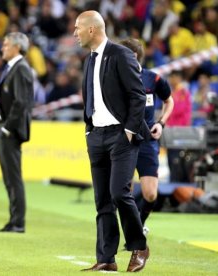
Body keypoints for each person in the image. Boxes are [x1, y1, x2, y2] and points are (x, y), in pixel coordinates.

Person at [73, 11, 150, 272]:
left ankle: (139, 246)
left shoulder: (121, 54)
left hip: (121, 135)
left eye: (78, 28)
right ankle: (107, 258)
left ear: (92, 30)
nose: (75, 33)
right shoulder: (89, 60)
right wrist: (89, 129)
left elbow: (138, 95)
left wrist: (129, 129)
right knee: (102, 200)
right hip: (97, 136)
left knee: (119, 193)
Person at [119, 38, 174, 237]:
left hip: (147, 141)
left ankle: (138, 224)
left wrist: (161, 123)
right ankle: (131, 231)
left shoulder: (153, 79)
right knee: (123, 192)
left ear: (138, 58)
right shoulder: (116, 80)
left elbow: (169, 101)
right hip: (123, 140)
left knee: (151, 193)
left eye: (132, 58)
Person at [0, 32, 34, 233]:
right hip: (3, 125)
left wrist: (8, 127)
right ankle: (13, 219)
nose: (3, 48)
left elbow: (22, 101)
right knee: (8, 176)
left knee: (13, 176)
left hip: (9, 129)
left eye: (6, 44)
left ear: (17, 47)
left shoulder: (21, 69)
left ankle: (18, 222)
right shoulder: (14, 68)